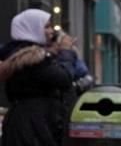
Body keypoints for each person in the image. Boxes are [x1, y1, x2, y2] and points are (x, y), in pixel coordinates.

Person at [0, 9, 73, 146]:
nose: (51, 31)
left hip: (31, 122)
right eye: (46, 26)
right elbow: (64, 78)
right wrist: (66, 53)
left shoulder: (21, 54)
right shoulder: (32, 59)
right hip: (34, 125)